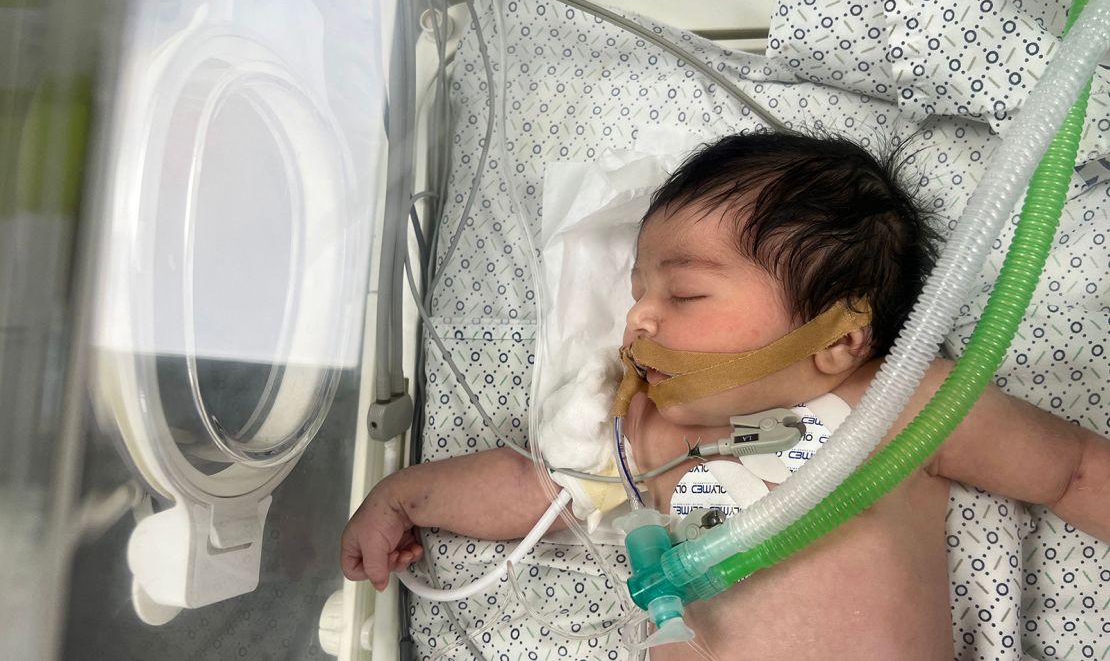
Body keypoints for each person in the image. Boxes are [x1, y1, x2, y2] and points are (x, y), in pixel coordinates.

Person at [341, 132, 1110, 659]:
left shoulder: (907, 405)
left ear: (838, 338)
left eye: (684, 293)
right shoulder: (643, 431)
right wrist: (405, 496)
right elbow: (536, 491)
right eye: (639, 289)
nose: (639, 316)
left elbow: (1072, 468)